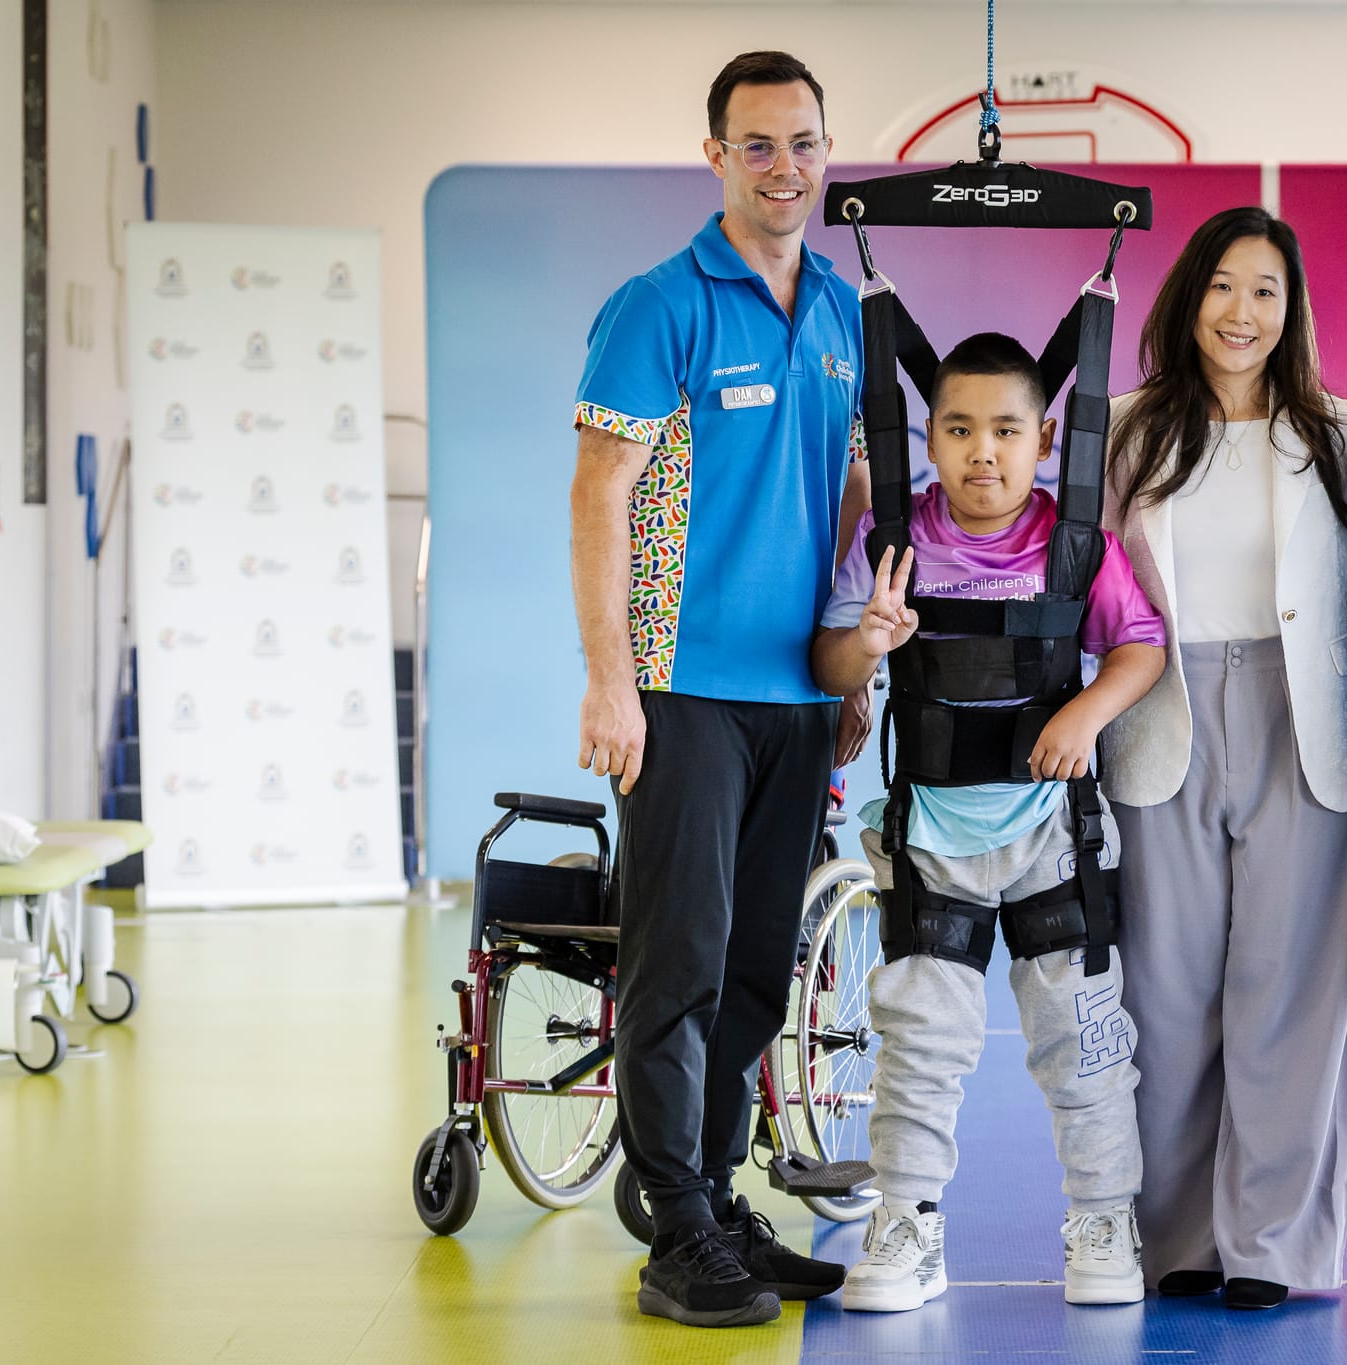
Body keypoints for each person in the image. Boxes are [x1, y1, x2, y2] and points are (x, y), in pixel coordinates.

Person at [568, 50, 873, 1329]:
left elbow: (856, 487)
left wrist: (850, 658)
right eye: (757, 144)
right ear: (715, 156)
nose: (785, 167)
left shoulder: (846, 311)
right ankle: (674, 1233)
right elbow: (599, 495)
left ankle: (717, 1195)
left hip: (797, 697)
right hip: (679, 690)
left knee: (757, 964)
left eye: (803, 143)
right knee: (677, 962)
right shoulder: (658, 304)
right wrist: (610, 682)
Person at [812, 332, 1166, 1313]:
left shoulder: (1073, 543)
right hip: (931, 835)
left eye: (1005, 430)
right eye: (957, 429)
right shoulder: (893, 543)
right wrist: (865, 643)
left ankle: (1102, 1218)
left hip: (1054, 833)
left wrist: (1085, 713)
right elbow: (832, 667)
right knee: (920, 1042)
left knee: (1082, 1038)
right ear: (927, 435)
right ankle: (907, 1225)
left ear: (1044, 436)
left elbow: (1139, 645)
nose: (981, 453)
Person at [1099, 206, 1347, 1311]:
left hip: (1296, 717)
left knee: (1291, 994)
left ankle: (1270, 1246)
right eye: (1220, 286)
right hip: (1158, 716)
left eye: (1264, 290)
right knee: (1162, 998)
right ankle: (1176, 1242)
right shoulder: (1122, 428)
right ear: (1185, 297)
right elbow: (1094, 587)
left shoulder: (1335, 430)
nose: (1241, 313)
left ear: (1290, 307)